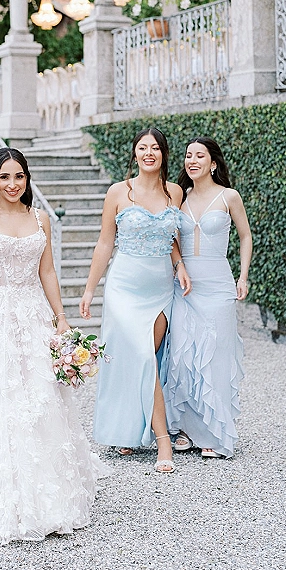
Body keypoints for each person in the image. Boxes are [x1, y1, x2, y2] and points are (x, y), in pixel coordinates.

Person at [0, 147, 110, 544]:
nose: (12, 184)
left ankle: (50, 494)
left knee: (39, 395)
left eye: (19, 177)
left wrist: (61, 316)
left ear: (27, 179)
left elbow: (47, 270)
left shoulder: (41, 219)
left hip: (33, 312)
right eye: (5, 177)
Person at [79, 127, 190, 473]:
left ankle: (129, 432)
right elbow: (104, 244)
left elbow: (171, 236)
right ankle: (163, 442)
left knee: (146, 358)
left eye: (155, 147)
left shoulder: (174, 192)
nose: (149, 153)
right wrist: (89, 289)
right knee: (141, 356)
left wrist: (180, 264)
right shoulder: (117, 192)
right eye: (143, 147)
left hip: (160, 289)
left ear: (163, 154)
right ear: (135, 153)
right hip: (124, 287)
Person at [164, 136, 251, 458]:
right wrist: (179, 265)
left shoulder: (229, 196)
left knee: (214, 355)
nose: (193, 160)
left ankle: (215, 433)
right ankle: (185, 429)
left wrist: (242, 277)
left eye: (200, 155)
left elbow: (245, 236)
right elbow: (171, 238)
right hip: (185, 285)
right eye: (188, 155)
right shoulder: (178, 196)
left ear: (213, 162)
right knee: (183, 356)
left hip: (219, 284)